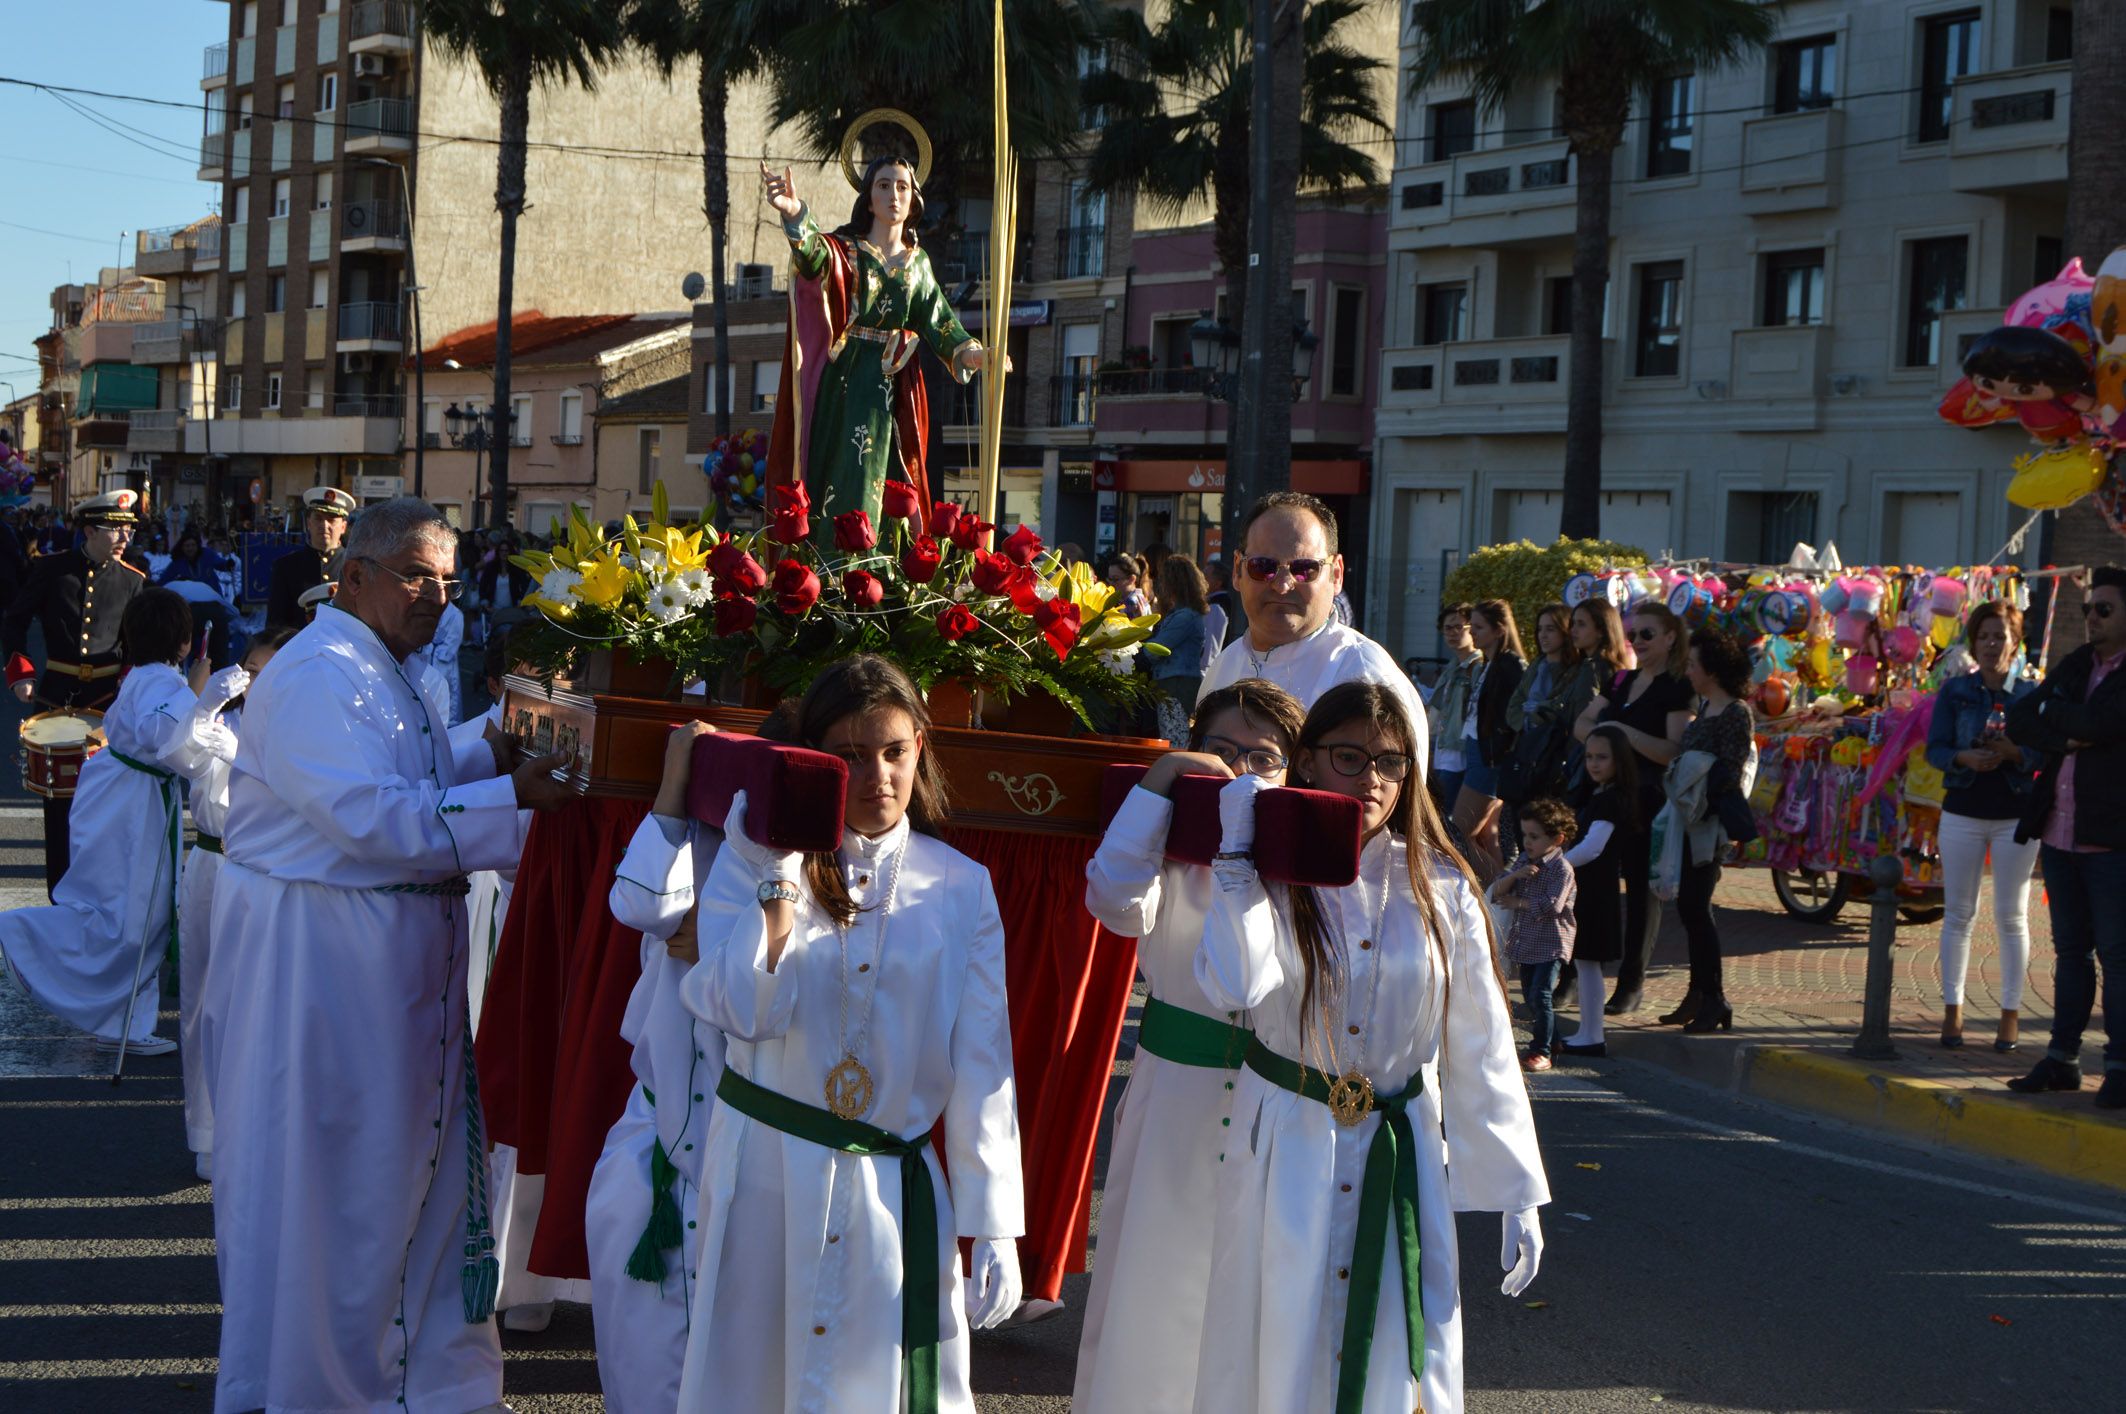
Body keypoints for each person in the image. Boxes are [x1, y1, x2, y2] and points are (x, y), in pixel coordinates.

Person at [203, 498, 573, 1413]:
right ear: (353, 576)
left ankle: (421, 1376)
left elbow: (408, 772)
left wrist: (488, 747)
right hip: (326, 965)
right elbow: (368, 815)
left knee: (406, 1175)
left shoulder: (382, 664)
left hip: (388, 955)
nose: (436, 598)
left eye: (447, 581)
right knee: (343, 1188)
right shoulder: (320, 673)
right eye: (415, 576)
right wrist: (518, 803)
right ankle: (330, 1385)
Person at [675, 654, 1024, 1411]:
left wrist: (994, 1222)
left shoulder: (962, 884)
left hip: (889, 1184)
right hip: (768, 1168)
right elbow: (743, 1011)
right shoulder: (757, 856)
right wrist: (775, 878)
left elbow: (981, 1058)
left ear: (920, 748)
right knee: (753, 1379)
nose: (878, 777)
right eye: (851, 757)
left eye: (894, 752)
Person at [1193, 681, 1547, 1414]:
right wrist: (1235, 860)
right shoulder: (1265, 870)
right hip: (1286, 1144)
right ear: (1309, 761)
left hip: (1400, 1145)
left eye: (1390, 762)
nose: (1371, 780)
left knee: (1397, 1340)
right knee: (1276, 1333)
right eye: (1349, 756)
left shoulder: (1442, 888)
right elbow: (1233, 985)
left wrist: (1516, 1192)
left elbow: (1479, 1043)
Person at [1074, 679, 1307, 1414]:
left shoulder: (1307, 861)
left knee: (1255, 1290)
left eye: (1263, 757)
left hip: (1275, 1100)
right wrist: (1165, 779)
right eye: (1223, 750)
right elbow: (1113, 899)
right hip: (1177, 1092)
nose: (1240, 772)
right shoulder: (1170, 846)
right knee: (1155, 1282)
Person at [0, 588, 209, 1058]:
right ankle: (20, 936)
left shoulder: (152, 675)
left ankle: (124, 1022)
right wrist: (198, 693)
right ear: (183, 642)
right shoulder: (166, 683)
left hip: (125, 794)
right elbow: (163, 736)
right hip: (131, 804)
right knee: (135, 916)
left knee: (134, 912)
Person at [585, 719, 727, 1410]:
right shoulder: (693, 844)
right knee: (644, 1369)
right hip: (657, 1151)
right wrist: (674, 791)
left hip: (753, 1168)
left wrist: (731, 935)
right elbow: (639, 902)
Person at [759, 157, 997, 531]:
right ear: (868, 199)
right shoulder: (847, 251)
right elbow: (813, 257)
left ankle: (886, 569)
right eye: (883, 186)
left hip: (895, 388)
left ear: (913, 200)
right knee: (840, 470)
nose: (893, 195)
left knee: (892, 477)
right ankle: (831, 560)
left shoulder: (918, 265)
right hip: (845, 381)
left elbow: (939, 321)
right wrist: (795, 215)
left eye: (902, 186)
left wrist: (973, 353)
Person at [177, 625, 297, 1180]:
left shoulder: (299, 731)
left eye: (271, 671)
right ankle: (207, 1130)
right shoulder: (220, 721)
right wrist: (206, 702)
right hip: (213, 862)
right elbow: (177, 752)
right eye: (251, 671)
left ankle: (260, 1132)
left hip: (269, 873)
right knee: (204, 1000)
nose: (257, 682)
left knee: (264, 1005)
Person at [2006, 565, 2126, 1110]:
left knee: (2118, 956)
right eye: (2088, 609)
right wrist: (2062, 718)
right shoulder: (2079, 663)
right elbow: (2020, 717)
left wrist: (2061, 718)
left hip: (2111, 840)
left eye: (2104, 609)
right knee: (2070, 953)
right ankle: (2062, 1060)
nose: (2092, 618)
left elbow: (2103, 726)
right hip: (2059, 831)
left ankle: (2121, 1067)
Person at [3, 489, 151, 894]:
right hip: (58, 697)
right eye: (115, 530)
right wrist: (22, 672)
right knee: (59, 804)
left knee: (109, 802)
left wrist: (129, 680)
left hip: (108, 702)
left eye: (128, 531)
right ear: (88, 530)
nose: (124, 539)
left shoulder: (133, 581)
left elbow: (137, 644)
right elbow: (14, 620)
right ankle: (60, 894)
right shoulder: (53, 570)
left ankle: (102, 894)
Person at [1200, 491, 1426, 753]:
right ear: (1238, 570)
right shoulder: (1224, 666)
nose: (1283, 585)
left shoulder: (1365, 676)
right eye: (1263, 566)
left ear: (1337, 574)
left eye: (1304, 569)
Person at [1924, 601, 2041, 1052]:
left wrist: (2014, 754)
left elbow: (2043, 755)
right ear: (1974, 643)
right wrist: (1963, 756)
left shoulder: (2030, 695)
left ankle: (2009, 1014)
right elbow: (1934, 748)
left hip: (2014, 813)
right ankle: (1952, 1011)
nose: (1992, 645)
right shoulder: (1955, 691)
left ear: (2014, 643)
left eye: (2000, 636)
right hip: (1963, 811)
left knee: (2012, 917)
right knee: (1958, 914)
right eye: (1984, 636)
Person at [1573, 601, 1694, 1014]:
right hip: (1607, 797)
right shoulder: (1621, 680)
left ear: (1669, 637)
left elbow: (1671, 750)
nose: (1637, 642)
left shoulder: (1677, 687)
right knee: (1589, 883)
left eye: (1647, 634)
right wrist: (1608, 738)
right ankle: (1576, 974)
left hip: (1648, 800)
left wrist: (1622, 734)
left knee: (1643, 893)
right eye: (1633, 635)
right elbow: (1582, 724)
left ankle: (1631, 982)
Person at [1656, 629, 1755, 1035]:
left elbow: (1730, 771)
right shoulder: (1702, 707)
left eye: (1694, 664)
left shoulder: (1736, 712)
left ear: (1712, 670)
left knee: (1698, 908)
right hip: (1686, 818)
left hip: (1709, 826)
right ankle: (1698, 994)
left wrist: (1694, 774)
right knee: (1689, 909)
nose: (1688, 671)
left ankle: (1715, 999)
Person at [1557, 725, 1639, 1056]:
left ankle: (1592, 1034)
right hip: (1590, 889)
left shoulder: (1610, 799)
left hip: (1595, 891)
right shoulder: (1600, 794)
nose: (1594, 763)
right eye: (1590, 756)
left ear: (1620, 760)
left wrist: (1556, 865)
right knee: (1585, 962)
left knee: (1589, 962)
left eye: (1602, 757)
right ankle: (1589, 1032)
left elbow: (1593, 847)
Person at [1490, 797, 1579, 1073]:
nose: (1528, 842)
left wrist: (1520, 903)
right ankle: (1553, 1039)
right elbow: (1497, 891)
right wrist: (1515, 878)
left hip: (1551, 943)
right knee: (1530, 996)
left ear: (1558, 838)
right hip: (1527, 943)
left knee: (1540, 995)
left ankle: (1540, 1050)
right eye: (1525, 835)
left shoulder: (1561, 869)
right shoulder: (1525, 862)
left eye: (1535, 837)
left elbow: (1553, 906)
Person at [1452, 599, 1526, 877]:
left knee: (1458, 832)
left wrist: (1500, 752)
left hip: (1490, 759)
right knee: (1483, 836)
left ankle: (1497, 889)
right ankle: (1498, 895)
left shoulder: (1511, 666)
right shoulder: (1489, 664)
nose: (1473, 633)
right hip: (1479, 752)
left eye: (1479, 627)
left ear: (1499, 630)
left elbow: (1512, 717)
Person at [263, 485, 353, 630]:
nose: (324, 525)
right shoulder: (286, 567)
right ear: (309, 523)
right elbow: (275, 626)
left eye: (331, 520)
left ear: (343, 527)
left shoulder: (356, 567)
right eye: (318, 518)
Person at [1426, 602, 1483, 810]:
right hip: (1444, 752)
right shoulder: (1452, 667)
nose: (1452, 633)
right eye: (1447, 628)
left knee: (1449, 820)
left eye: (1459, 627)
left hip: (1461, 755)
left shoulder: (1478, 667)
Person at [1146, 554, 1210, 739]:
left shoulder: (1185, 617)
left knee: (1175, 737)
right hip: (1175, 682)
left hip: (1177, 684)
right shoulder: (1183, 614)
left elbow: (1154, 650)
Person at [1204, 555, 1244, 648]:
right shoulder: (1222, 602)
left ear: (1218, 583)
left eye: (1205, 577)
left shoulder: (1216, 606)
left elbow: (1210, 647)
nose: (1201, 580)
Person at [1105, 550, 1150, 618]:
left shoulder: (1131, 603)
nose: (1111, 584)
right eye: (1110, 579)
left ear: (1132, 579)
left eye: (1116, 579)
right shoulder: (1139, 597)